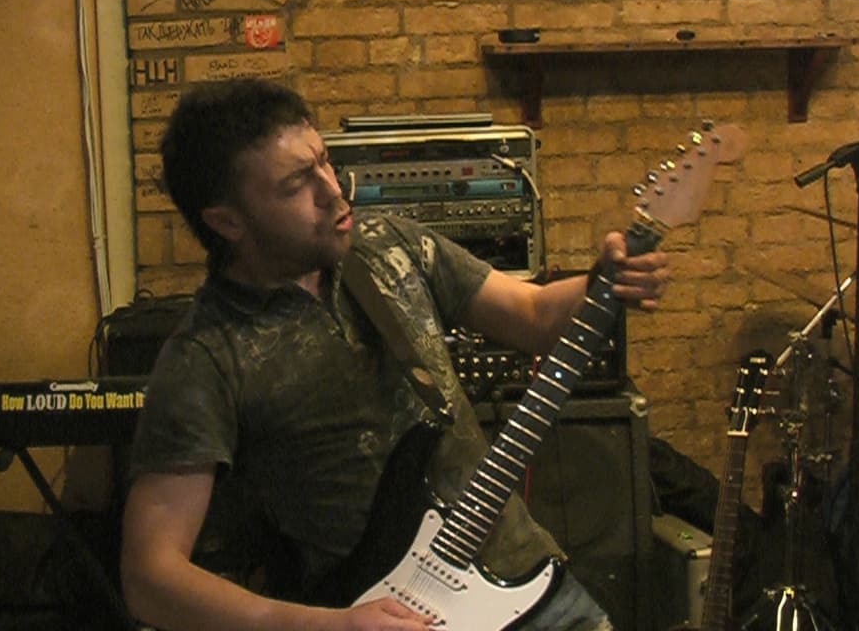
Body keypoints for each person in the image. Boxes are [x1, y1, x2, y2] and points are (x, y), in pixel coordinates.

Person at [118, 77, 671, 630]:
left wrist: (604, 281)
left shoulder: (390, 246)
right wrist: (329, 626)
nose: (334, 191)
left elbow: (534, 315)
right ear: (227, 221)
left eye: (324, 162)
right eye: (296, 184)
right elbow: (150, 576)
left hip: (532, 582)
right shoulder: (205, 357)